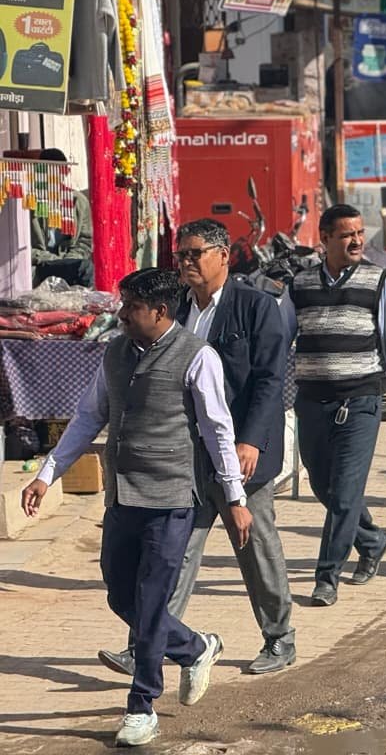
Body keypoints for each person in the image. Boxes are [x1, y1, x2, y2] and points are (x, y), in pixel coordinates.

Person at [21, 268, 249, 748]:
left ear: (160, 312)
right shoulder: (115, 354)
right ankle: (194, 646)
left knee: (148, 606)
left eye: (131, 308)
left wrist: (234, 498)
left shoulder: (197, 357)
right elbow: (89, 417)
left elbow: (217, 431)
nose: (122, 315)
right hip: (123, 497)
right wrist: (47, 474)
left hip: (171, 500)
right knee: (120, 596)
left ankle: (142, 704)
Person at [96, 220, 292, 681]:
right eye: (180, 255)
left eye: (194, 253)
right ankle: (149, 641)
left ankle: (279, 635)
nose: (185, 262)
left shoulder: (257, 306)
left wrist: (250, 440)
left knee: (255, 547)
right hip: (186, 458)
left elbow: (269, 381)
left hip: (241, 455)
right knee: (174, 554)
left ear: (223, 255)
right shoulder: (173, 308)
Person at [281, 204, 386, 607]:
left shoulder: (378, 280)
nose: (357, 241)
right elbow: (278, 340)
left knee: (345, 493)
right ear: (324, 239)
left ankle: (327, 576)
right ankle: (371, 540)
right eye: (346, 235)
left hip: (362, 403)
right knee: (325, 487)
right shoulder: (298, 285)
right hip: (312, 402)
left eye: (359, 233)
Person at [29, 147, 93, 287]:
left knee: (86, 269)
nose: (51, 177)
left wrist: (69, 260)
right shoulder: (29, 202)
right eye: (46, 172)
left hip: (69, 261)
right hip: (40, 263)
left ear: (66, 172)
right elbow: (22, 246)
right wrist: (52, 260)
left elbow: (85, 241)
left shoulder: (79, 202)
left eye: (57, 172)